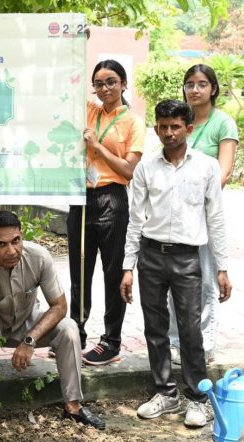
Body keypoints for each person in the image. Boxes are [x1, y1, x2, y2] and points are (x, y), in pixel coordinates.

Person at [120, 99, 232, 428]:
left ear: (188, 128)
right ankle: (165, 393)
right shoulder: (145, 168)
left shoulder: (207, 167)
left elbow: (216, 219)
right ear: (156, 128)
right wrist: (128, 267)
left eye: (175, 127)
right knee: (154, 327)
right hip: (151, 257)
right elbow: (135, 220)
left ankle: (198, 398)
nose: (169, 133)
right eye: (163, 127)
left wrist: (222, 267)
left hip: (188, 257)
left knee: (190, 329)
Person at [0, 211, 105, 431]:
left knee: (70, 328)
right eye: (1, 244)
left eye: (16, 241)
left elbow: (59, 306)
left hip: (28, 324)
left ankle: (73, 405)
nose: (11, 251)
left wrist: (30, 340)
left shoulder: (39, 257)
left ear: (21, 236)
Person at [66, 59, 146, 366]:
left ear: (124, 84)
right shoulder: (90, 110)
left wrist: (98, 147)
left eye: (111, 81)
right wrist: (73, 44)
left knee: (113, 273)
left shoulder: (133, 122)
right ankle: (76, 333)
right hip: (80, 197)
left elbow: (127, 170)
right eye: (98, 83)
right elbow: (66, 84)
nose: (104, 88)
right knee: (79, 270)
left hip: (112, 198)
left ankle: (111, 341)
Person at [168, 64, 239, 365]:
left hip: (206, 212)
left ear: (213, 88)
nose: (194, 90)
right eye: (189, 84)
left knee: (206, 279)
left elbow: (222, 173)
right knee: (174, 278)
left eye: (201, 84)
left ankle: (205, 343)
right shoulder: (179, 120)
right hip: (174, 213)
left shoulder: (224, 123)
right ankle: (174, 342)